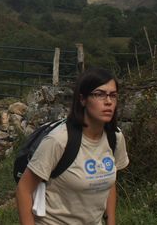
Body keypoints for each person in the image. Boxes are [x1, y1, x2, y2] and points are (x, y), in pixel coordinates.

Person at [16, 68, 129, 225]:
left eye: (113, 95)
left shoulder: (115, 138)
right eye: (99, 94)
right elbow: (24, 189)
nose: (108, 101)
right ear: (82, 99)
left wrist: (111, 221)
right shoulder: (59, 140)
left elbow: (109, 182)